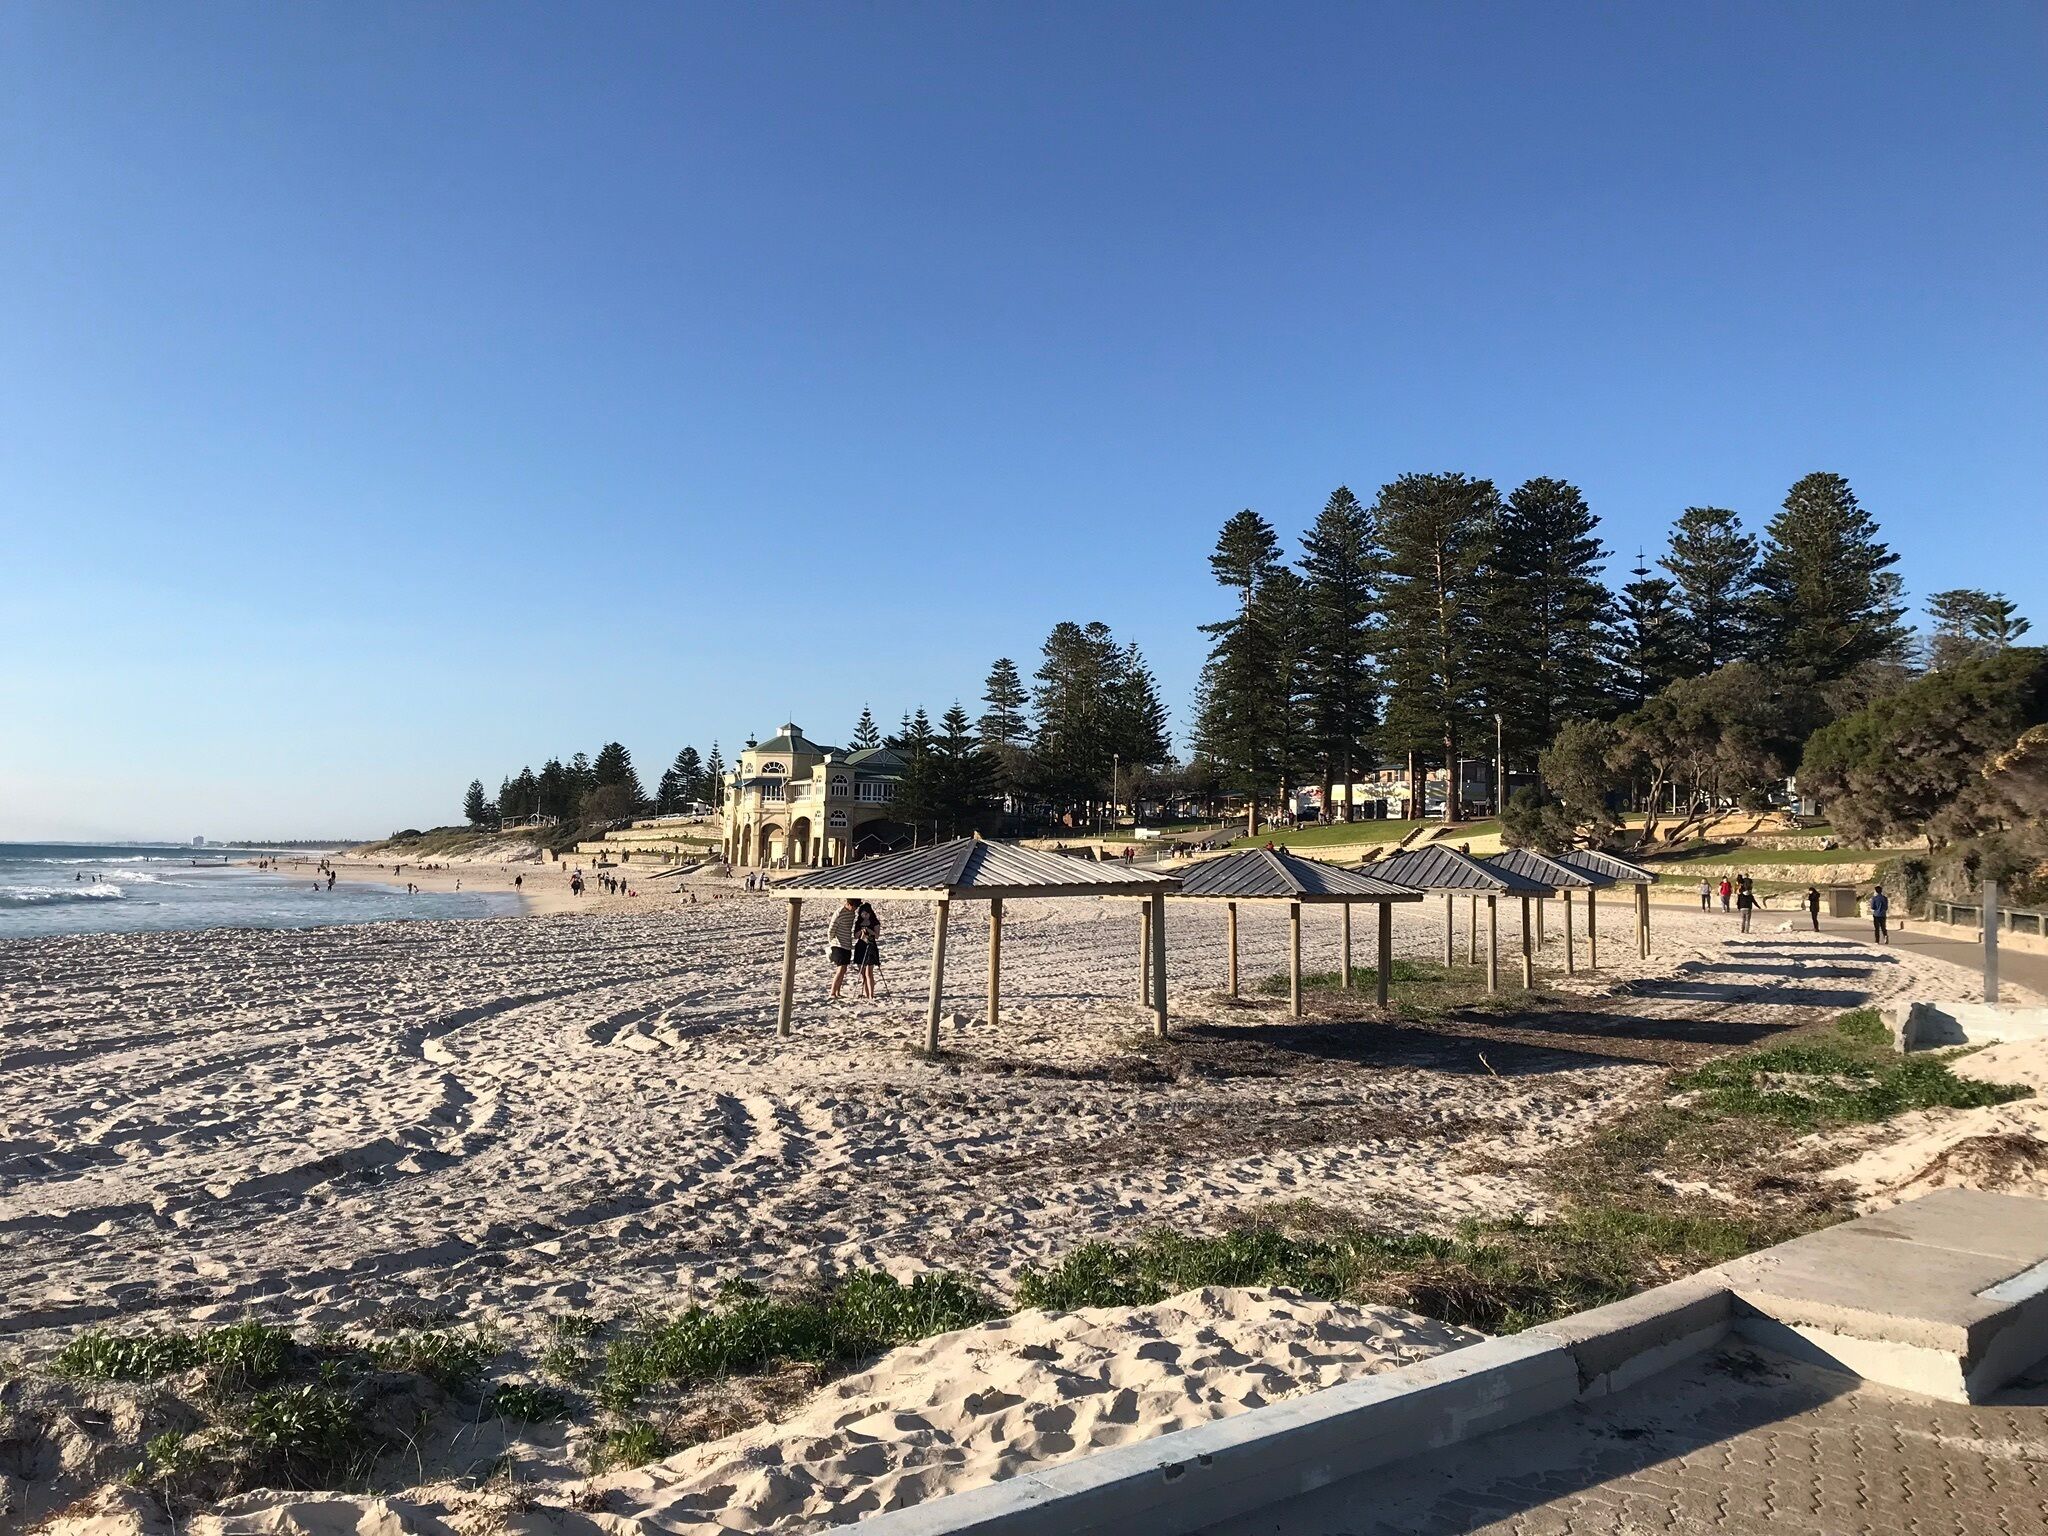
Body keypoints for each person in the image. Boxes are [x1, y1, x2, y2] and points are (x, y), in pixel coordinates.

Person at [827, 897, 858, 999]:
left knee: (844, 969)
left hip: (847, 944)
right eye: (854, 906)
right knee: (840, 969)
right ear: (849, 904)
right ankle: (832, 992)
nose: (855, 909)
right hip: (838, 944)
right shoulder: (839, 912)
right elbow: (831, 929)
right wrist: (831, 942)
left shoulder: (852, 914)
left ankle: (837, 992)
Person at [853, 900, 883, 998]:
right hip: (860, 946)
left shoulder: (874, 922)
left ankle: (871, 994)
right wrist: (861, 933)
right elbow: (855, 936)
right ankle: (866, 993)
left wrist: (870, 931)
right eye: (862, 914)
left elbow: (877, 935)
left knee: (869, 972)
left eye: (866, 914)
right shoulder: (859, 922)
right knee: (862, 973)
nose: (864, 916)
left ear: (869, 913)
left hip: (870, 946)